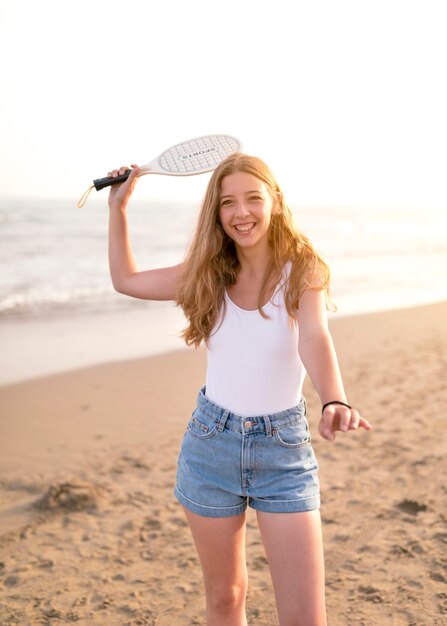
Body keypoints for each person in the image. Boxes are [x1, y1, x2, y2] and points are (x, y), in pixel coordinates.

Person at [107, 153, 372, 626]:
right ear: (217, 213)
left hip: (282, 451)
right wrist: (119, 209)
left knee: (305, 617)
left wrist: (335, 397)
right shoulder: (205, 273)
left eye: (253, 198)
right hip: (211, 445)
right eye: (228, 202)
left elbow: (314, 335)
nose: (242, 212)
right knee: (226, 599)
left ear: (275, 202)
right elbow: (126, 281)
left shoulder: (302, 267)